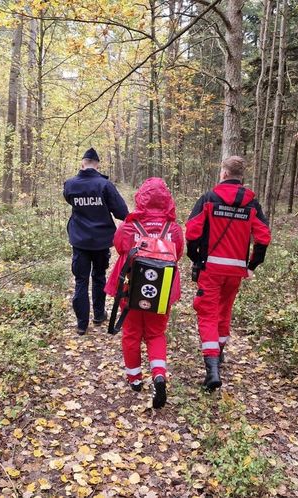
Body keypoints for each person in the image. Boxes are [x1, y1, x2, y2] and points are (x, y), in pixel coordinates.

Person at [185, 156, 271, 390]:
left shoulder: (209, 199)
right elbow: (263, 237)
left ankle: (212, 369)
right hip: (235, 271)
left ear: (223, 173)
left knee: (207, 313)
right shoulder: (252, 204)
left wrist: (195, 258)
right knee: (224, 310)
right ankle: (219, 352)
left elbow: (192, 232)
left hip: (211, 269)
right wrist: (252, 265)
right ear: (240, 176)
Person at [105, 178, 183, 409]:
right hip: (162, 290)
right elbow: (177, 254)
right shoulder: (174, 228)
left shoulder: (130, 226)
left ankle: (135, 379)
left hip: (131, 288)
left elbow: (120, 248)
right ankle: (159, 374)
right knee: (156, 334)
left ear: (141, 198)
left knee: (131, 333)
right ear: (167, 200)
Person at [64, 148, 129, 335]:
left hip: (80, 242)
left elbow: (70, 200)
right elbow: (122, 212)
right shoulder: (105, 185)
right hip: (101, 241)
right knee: (99, 277)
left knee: (81, 281)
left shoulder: (70, 184)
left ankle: (82, 324)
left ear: (82, 163)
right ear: (97, 165)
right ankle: (99, 315)